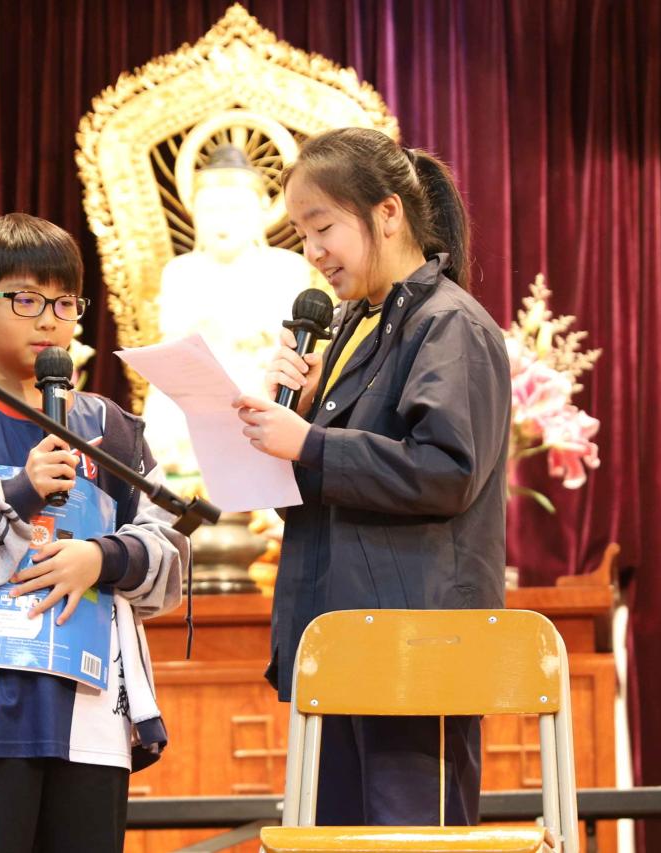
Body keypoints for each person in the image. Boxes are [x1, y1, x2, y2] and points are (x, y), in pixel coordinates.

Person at [233, 127, 511, 826]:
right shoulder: (355, 327)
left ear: (387, 212)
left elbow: (445, 470)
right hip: (339, 641)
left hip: (416, 652)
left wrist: (312, 443)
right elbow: (324, 491)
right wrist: (293, 421)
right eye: (302, 234)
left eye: (323, 227)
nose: (312, 251)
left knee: (408, 836)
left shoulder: (450, 323)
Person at [0, 213, 188, 853]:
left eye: (64, 302)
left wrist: (101, 558)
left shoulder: (114, 431)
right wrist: (18, 495)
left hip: (93, 715)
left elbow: (171, 559)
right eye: (25, 300)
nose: (49, 319)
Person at [145, 144, 317, 477]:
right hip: (196, 388)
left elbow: (289, 350)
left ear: (260, 212)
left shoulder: (287, 268)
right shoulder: (180, 272)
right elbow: (172, 346)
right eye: (210, 211)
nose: (222, 222)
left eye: (236, 210)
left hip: (257, 379)